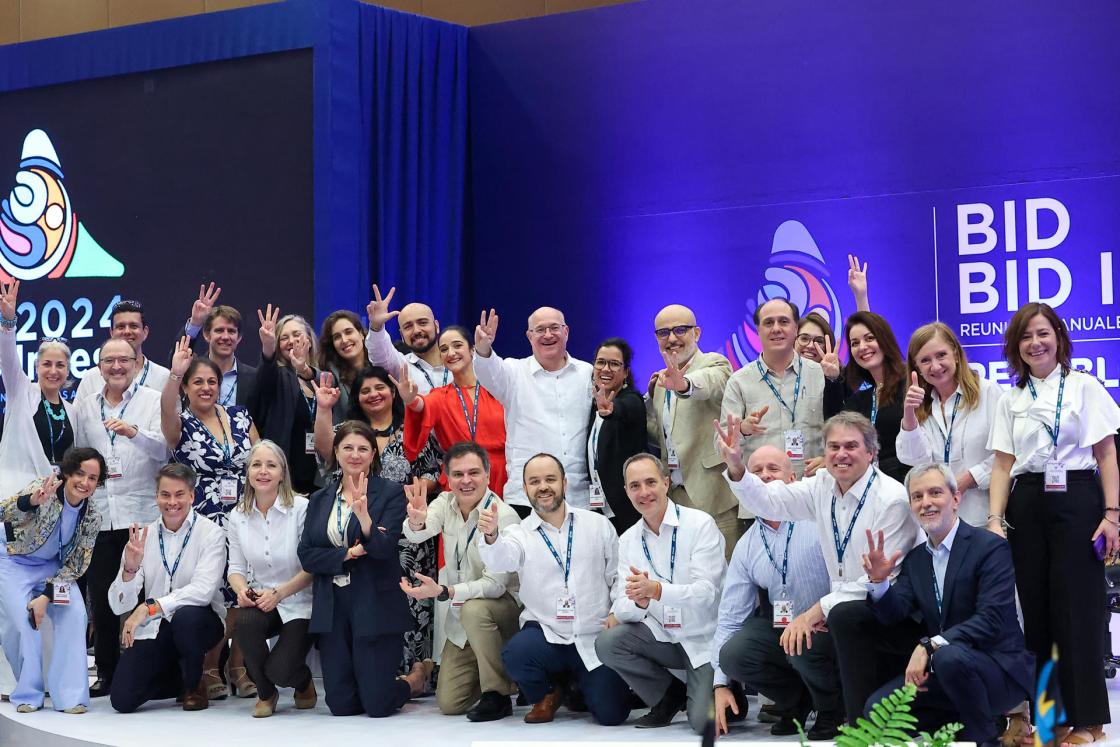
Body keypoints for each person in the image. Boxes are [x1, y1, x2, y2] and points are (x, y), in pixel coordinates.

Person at [716, 410, 920, 724]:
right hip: (839, 612)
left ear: (871, 452)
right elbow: (771, 501)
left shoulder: (891, 499)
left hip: (885, 612)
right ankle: (824, 707)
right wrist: (737, 467)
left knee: (832, 619)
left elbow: (880, 580)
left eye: (851, 446)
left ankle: (853, 720)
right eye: (833, 446)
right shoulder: (822, 484)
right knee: (806, 635)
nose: (841, 454)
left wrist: (816, 611)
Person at [987, 303, 1120, 745]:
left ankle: (1088, 722)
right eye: (1025, 337)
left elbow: (1106, 455)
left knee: (1078, 611)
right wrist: (994, 519)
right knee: (1038, 616)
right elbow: (1003, 466)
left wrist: (1112, 515)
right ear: (1015, 347)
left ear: (1058, 338)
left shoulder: (1084, 386)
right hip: (1027, 503)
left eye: (1042, 333)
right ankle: (1050, 719)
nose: (1034, 343)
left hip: (1078, 498)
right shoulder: (1012, 398)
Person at [861, 463, 1034, 746]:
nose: (926, 502)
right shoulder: (916, 559)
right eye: (917, 496)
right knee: (877, 711)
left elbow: (991, 619)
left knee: (948, 657)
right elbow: (895, 612)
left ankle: (985, 739)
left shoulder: (989, 546)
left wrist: (929, 645)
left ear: (956, 499)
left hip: (999, 670)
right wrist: (879, 583)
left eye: (935, 493)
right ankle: (965, 725)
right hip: (947, 671)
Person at [477, 453, 630, 726]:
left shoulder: (598, 525)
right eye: (534, 481)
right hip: (548, 634)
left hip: (595, 635)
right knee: (517, 653)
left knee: (612, 715)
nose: (543, 487)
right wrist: (491, 535)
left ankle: (578, 686)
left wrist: (617, 613)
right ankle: (549, 692)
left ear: (565, 483)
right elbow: (501, 557)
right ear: (525, 489)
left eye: (550, 479)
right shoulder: (518, 533)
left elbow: (618, 577)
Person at [314, 365, 442, 680]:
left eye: (379, 387)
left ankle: (416, 670)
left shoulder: (412, 423)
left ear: (393, 391)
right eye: (365, 390)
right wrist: (323, 409)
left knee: (411, 596)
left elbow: (434, 472)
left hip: (407, 529)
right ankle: (377, 672)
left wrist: (413, 493)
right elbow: (323, 453)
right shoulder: (348, 430)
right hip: (357, 530)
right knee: (370, 595)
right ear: (356, 397)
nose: (373, 394)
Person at [297, 421, 431, 717]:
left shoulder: (390, 493)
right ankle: (372, 682)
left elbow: (383, 549)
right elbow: (306, 555)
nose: (354, 455)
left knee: (377, 706)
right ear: (336, 451)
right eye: (347, 447)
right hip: (333, 605)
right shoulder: (319, 499)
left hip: (374, 603)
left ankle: (412, 682)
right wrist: (348, 553)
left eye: (362, 449)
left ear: (373, 454)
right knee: (342, 706)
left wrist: (365, 520)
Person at [712, 445, 840, 740]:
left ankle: (832, 707)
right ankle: (796, 701)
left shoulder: (821, 521)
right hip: (783, 629)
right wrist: (721, 684)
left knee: (804, 641)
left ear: (793, 479)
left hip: (828, 624)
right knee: (733, 653)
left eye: (773, 468)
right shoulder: (747, 545)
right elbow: (730, 617)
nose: (765, 476)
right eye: (756, 471)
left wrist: (815, 616)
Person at [595, 453, 725, 733]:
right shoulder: (628, 539)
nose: (644, 492)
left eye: (650, 482)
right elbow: (621, 603)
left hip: (703, 637)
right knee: (608, 642)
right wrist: (640, 603)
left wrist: (658, 591)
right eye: (635, 486)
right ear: (627, 491)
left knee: (704, 724)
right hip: (662, 636)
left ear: (666, 483)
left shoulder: (700, 525)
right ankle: (667, 696)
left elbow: (707, 594)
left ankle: (727, 687)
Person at [163, 337, 260, 699]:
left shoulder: (239, 415)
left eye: (212, 381)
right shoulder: (181, 422)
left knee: (242, 591)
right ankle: (209, 663)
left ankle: (238, 664)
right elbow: (166, 411)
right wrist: (173, 375)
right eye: (197, 382)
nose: (206, 387)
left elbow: (261, 458)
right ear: (186, 387)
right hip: (205, 518)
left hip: (245, 514)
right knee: (215, 593)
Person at [72, 337, 169, 698]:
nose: (116, 367)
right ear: (99, 366)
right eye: (109, 361)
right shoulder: (85, 406)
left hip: (139, 515)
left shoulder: (151, 402)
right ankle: (108, 672)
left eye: (123, 361)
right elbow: (79, 454)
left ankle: (147, 672)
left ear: (135, 363)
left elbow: (165, 449)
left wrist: (134, 433)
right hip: (99, 515)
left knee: (141, 595)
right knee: (102, 596)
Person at [400, 441, 522, 721]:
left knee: (475, 608)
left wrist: (447, 590)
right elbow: (418, 532)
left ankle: (498, 693)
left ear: (488, 475)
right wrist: (416, 521)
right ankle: (505, 672)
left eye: (473, 473)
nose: (466, 481)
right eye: (457, 474)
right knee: (450, 703)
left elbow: (495, 585)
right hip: (465, 620)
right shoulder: (445, 502)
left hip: (502, 614)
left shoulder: (503, 515)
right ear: (448, 478)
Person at [109, 464, 227, 713]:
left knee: (186, 618)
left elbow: (203, 591)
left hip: (200, 622)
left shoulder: (211, 533)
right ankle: (178, 677)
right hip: (156, 627)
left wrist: (150, 606)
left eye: (179, 494)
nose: (172, 502)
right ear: (156, 497)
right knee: (122, 699)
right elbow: (118, 604)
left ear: (192, 496)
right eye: (165, 494)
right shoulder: (143, 537)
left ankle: (194, 685)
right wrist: (128, 571)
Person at [0, 449, 104, 714]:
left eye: (93, 478)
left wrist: (46, 596)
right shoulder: (44, 487)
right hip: (14, 561)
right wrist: (30, 502)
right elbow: (3, 512)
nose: (85, 482)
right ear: (68, 472)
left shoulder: (92, 516)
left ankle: (70, 696)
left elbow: (77, 563)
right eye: (80, 474)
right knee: (22, 623)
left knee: (75, 615)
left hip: (54, 569)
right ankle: (28, 694)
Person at [474, 307, 593, 512]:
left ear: (566, 332)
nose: (548, 335)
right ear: (529, 336)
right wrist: (484, 348)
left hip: (578, 495)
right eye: (540, 330)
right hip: (526, 498)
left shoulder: (587, 372)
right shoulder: (513, 372)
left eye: (554, 328)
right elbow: (487, 371)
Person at [227, 440, 315, 717]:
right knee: (244, 620)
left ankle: (302, 681)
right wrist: (241, 590)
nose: (263, 471)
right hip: (263, 599)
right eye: (256, 464)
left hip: (300, 600)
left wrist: (280, 593)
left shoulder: (301, 508)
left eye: (271, 465)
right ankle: (266, 693)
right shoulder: (237, 515)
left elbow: (312, 568)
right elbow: (235, 568)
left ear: (282, 473)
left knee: (281, 669)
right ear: (248, 473)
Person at [646, 304, 739, 556]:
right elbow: (662, 434)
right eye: (664, 333)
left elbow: (709, 384)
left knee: (729, 581)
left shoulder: (716, 363)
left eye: (680, 330)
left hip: (713, 496)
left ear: (696, 333)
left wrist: (684, 384)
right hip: (675, 499)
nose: (672, 338)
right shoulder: (660, 382)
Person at [897, 323, 1003, 527]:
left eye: (941, 355)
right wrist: (909, 412)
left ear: (955, 353)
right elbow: (913, 459)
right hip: (939, 523)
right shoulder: (923, 404)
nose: (935, 366)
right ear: (916, 367)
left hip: (984, 517)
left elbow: (1007, 455)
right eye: (925, 360)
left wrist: (969, 478)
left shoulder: (989, 392)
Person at [393, 325, 508, 496]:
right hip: (459, 476)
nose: (451, 353)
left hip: (501, 475)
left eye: (457, 345)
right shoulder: (440, 396)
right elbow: (422, 405)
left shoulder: (498, 388)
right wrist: (410, 400)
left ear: (472, 350)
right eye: (444, 349)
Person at [722, 298, 826, 479]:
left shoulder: (820, 375)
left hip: (811, 491)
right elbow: (721, 445)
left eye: (784, 322)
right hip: (760, 494)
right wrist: (742, 431)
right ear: (758, 330)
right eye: (768, 323)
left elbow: (842, 430)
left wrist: (829, 459)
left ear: (796, 329)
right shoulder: (738, 381)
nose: (776, 328)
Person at [0, 279, 75, 488]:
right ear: (36, 367)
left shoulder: (72, 411)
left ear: (68, 370)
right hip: (18, 494)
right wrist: (7, 322)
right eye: (46, 364)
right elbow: (7, 358)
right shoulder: (21, 392)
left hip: (56, 496)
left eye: (60, 365)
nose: (53, 371)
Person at [251, 305, 321, 494]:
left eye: (296, 334)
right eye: (284, 337)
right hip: (288, 478)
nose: (291, 341)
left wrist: (305, 370)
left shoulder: (321, 377)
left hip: (321, 476)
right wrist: (268, 347)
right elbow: (266, 374)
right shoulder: (278, 375)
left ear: (309, 338)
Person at [586, 338, 646, 531]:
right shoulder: (591, 406)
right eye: (601, 362)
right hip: (599, 510)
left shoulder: (631, 400)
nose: (605, 369)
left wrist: (612, 409)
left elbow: (627, 409)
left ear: (626, 372)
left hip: (628, 511)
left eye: (614, 364)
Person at [841, 311, 909, 482]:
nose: (862, 347)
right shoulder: (858, 401)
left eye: (869, 338)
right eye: (854, 343)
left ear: (884, 339)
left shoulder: (911, 384)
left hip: (909, 484)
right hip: (870, 488)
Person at [174, 283, 258, 409]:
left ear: (239, 338)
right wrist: (195, 323)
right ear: (207, 335)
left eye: (231, 331)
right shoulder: (190, 369)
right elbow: (176, 357)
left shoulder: (253, 378)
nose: (225, 337)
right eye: (219, 330)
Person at [75, 299, 170, 402]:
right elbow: (77, 417)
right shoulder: (91, 378)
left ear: (145, 332)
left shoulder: (163, 377)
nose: (127, 331)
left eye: (133, 326)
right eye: (121, 327)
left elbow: (174, 416)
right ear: (111, 333)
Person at [365, 284, 447, 394]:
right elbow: (379, 354)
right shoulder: (401, 366)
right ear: (402, 335)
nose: (417, 330)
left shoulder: (458, 359)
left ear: (436, 326)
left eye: (422, 323)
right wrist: (376, 326)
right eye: (408, 326)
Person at [318, 309, 369, 420]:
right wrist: (304, 370)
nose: (344, 340)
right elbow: (317, 376)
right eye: (337, 337)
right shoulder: (332, 372)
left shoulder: (380, 362)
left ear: (361, 334)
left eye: (348, 332)